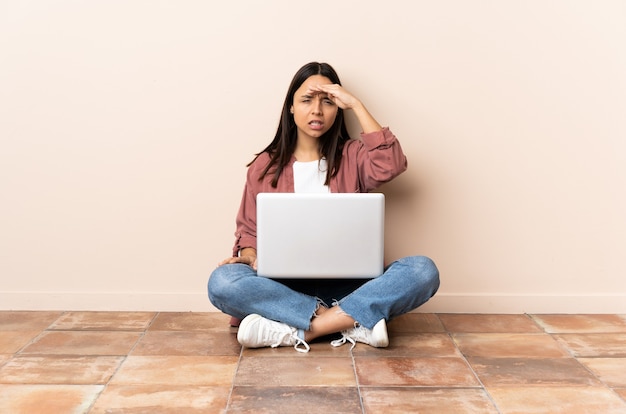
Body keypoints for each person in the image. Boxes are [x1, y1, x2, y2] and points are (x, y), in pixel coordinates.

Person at [208, 62, 439, 353]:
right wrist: (249, 257)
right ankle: (352, 322)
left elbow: (390, 163)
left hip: (351, 285)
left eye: (327, 102)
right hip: (283, 288)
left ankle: (298, 329)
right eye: (306, 100)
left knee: (422, 271)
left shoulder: (353, 155)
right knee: (222, 282)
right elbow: (249, 233)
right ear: (290, 107)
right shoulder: (264, 166)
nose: (316, 110)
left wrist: (355, 103)